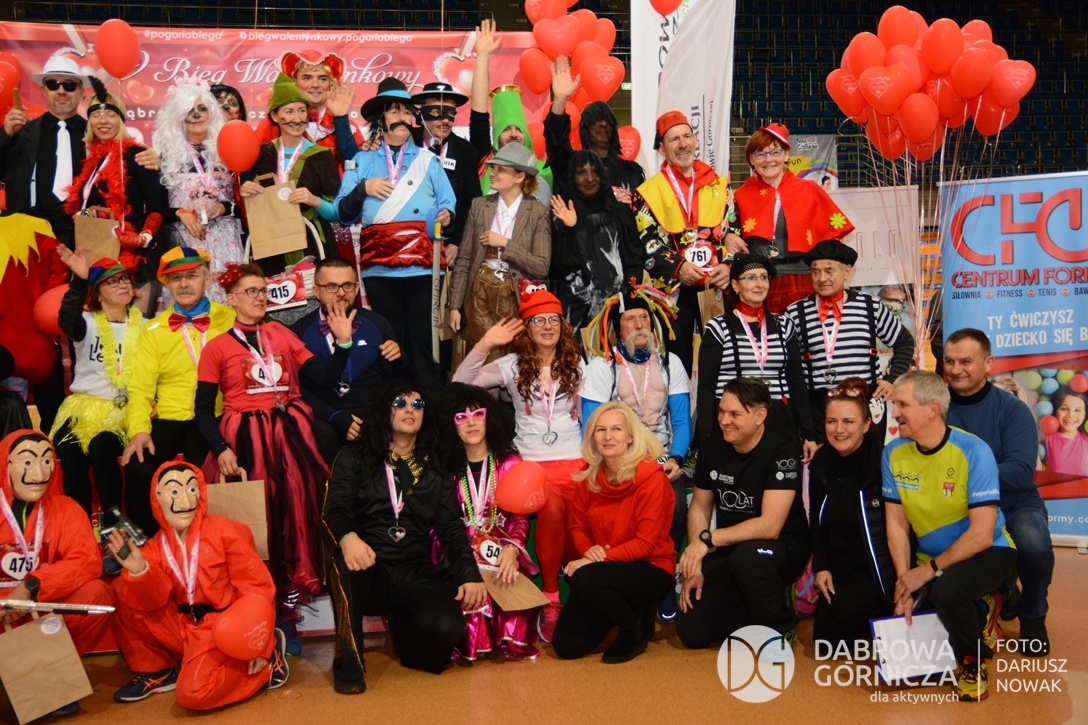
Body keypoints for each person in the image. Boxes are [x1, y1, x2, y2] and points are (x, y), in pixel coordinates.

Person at [195, 262, 353, 655]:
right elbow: (202, 410)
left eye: (262, 290)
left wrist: (343, 344)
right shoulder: (217, 347)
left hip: (291, 438)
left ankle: (287, 610)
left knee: (295, 519)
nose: (260, 297)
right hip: (245, 440)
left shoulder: (282, 334)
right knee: (256, 525)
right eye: (250, 291)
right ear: (231, 299)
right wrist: (221, 448)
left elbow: (323, 379)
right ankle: (258, 608)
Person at [324, 381, 486, 694]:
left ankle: (404, 635)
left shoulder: (434, 466)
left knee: (449, 629)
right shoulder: (355, 456)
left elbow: (450, 528)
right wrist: (348, 537)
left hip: (413, 569)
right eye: (400, 402)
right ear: (385, 410)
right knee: (345, 564)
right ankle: (348, 664)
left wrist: (469, 574)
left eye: (417, 404)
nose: (410, 409)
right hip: (368, 567)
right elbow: (335, 508)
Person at [452, 290, 585, 643]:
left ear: (562, 325)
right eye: (538, 320)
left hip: (576, 459)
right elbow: (458, 388)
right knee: (551, 507)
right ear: (526, 327)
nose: (547, 327)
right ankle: (552, 596)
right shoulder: (511, 364)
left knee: (581, 511)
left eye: (553, 320)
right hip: (532, 465)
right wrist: (485, 344)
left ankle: (582, 591)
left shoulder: (579, 363)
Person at [107, 461, 289, 707]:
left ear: (201, 493)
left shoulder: (225, 531)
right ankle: (158, 671)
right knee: (123, 588)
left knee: (193, 694)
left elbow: (257, 589)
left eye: (191, 489)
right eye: (174, 491)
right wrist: (140, 571)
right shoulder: (156, 546)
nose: (185, 501)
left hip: (224, 628)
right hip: (186, 627)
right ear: (157, 498)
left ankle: (269, 665)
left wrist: (260, 644)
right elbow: (153, 599)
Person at [884, 370, 1018, 702]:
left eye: (902, 404)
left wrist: (925, 573)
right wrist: (904, 581)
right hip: (930, 559)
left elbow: (981, 535)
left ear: (932, 409)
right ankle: (983, 606)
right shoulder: (893, 453)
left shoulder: (974, 451)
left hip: (990, 551)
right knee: (893, 606)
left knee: (948, 593)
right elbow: (897, 525)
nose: (894, 411)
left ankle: (973, 663)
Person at [335, 78, 456, 397]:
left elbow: (449, 203)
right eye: (394, 111)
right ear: (381, 119)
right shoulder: (361, 161)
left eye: (406, 111)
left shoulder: (428, 160)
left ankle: (430, 405)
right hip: (380, 267)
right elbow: (342, 212)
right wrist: (363, 189)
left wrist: (447, 215)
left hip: (424, 265)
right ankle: (394, 404)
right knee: (390, 341)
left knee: (425, 340)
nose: (402, 117)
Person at [580, 284, 690, 622]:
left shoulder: (670, 363)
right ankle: (625, 579)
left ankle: (664, 579)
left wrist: (676, 459)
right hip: (619, 457)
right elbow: (592, 425)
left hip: (660, 457)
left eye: (644, 318)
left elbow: (681, 421)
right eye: (631, 319)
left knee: (677, 507)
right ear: (617, 328)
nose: (640, 325)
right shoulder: (602, 366)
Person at [676, 378, 811, 649]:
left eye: (735, 414)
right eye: (721, 411)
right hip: (732, 549)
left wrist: (707, 540)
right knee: (691, 632)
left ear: (760, 416)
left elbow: (770, 526)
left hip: (783, 546)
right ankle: (757, 607)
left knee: (748, 559)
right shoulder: (712, 447)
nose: (724, 420)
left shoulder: (782, 451)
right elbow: (700, 506)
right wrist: (696, 562)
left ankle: (779, 626)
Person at [944, 328, 1054, 655]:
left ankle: (1032, 616)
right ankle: (1004, 588)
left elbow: (1019, 473)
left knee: (1033, 545)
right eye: (949, 361)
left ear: (988, 363)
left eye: (966, 361)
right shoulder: (936, 406)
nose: (956, 369)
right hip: (955, 505)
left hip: (1014, 503)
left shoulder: (1012, 409)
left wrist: (961, 476)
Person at [0, 430, 114, 717]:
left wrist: (32, 587)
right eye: (27, 461)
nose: (39, 473)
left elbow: (87, 561)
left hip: (37, 611)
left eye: (47, 460)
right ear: (5, 464)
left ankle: (50, 676)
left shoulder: (66, 509)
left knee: (97, 595)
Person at [123, 248, 235, 535]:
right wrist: (139, 430)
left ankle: (211, 541)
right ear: (167, 284)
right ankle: (147, 544)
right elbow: (140, 388)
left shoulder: (230, 318)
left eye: (191, 276)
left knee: (203, 468)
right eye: (176, 278)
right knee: (138, 467)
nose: (184, 284)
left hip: (215, 415)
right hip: (170, 416)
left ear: (207, 280)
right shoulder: (153, 330)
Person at [553, 402, 676, 663]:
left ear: (630, 436)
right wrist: (589, 551)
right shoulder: (588, 477)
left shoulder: (652, 478)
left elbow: (645, 544)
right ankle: (625, 609)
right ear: (592, 436)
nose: (607, 436)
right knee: (566, 646)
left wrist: (595, 560)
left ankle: (634, 627)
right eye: (601, 430)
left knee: (585, 578)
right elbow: (579, 528)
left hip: (650, 568)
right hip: (607, 570)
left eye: (616, 429)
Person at [435, 383, 540, 661]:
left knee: (512, 600)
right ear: (451, 426)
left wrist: (513, 549)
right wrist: (462, 555)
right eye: (461, 417)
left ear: (489, 417)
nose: (471, 423)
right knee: (471, 605)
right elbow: (439, 524)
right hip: (462, 552)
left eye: (477, 414)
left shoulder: (510, 463)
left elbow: (520, 516)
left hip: (501, 550)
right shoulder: (445, 471)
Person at [634, 110, 741, 374]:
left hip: (716, 285)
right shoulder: (648, 192)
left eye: (687, 136)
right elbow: (646, 243)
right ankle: (678, 403)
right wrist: (678, 267)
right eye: (674, 139)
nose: (682, 144)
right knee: (675, 362)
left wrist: (728, 266)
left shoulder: (720, 185)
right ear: (662, 149)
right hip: (673, 290)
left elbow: (734, 232)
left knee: (722, 360)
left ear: (695, 141)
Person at [52, 253, 142, 531]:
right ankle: (78, 530)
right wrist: (79, 281)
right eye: (112, 282)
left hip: (122, 410)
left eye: (124, 278)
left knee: (101, 446)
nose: (122, 284)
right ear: (98, 294)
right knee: (69, 451)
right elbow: (66, 319)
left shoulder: (147, 326)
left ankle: (116, 527)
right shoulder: (86, 322)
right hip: (82, 406)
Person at [786, 241, 915, 434]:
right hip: (819, 407)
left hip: (864, 401)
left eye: (829, 271)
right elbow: (792, 370)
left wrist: (891, 378)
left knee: (869, 453)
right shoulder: (795, 312)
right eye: (815, 272)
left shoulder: (870, 306)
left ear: (846, 272)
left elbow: (904, 341)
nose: (822, 278)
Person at [64, 78, 166, 316]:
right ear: (89, 121)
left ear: (120, 120)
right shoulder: (90, 162)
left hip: (136, 255)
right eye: (96, 115)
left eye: (110, 114)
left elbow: (156, 206)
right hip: (99, 250)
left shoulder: (138, 154)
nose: (103, 121)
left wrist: (142, 238)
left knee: (137, 327)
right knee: (103, 325)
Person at [698, 255, 819, 456]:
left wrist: (808, 434)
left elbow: (797, 383)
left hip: (777, 417)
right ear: (735, 285)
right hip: (736, 419)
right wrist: (706, 436)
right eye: (751, 278)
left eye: (764, 277)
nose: (759, 284)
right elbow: (706, 387)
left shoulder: (784, 325)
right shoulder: (718, 327)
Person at [730, 123, 855, 313]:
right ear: (751, 159)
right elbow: (727, 234)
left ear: (786, 154)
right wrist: (727, 237)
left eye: (775, 152)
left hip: (805, 279)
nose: (768, 159)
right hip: (760, 283)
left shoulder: (810, 190)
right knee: (765, 332)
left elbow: (832, 239)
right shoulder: (740, 195)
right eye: (760, 154)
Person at [809, 378, 895, 653]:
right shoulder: (821, 462)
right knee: (826, 645)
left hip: (874, 568)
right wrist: (822, 567)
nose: (839, 429)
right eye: (831, 421)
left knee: (847, 608)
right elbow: (816, 523)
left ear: (866, 424)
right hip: (838, 567)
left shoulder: (883, 463)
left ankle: (883, 614)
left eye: (848, 421)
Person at [288, 257, 404, 461]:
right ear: (316, 291)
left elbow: (396, 381)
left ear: (357, 287)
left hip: (371, 411)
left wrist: (398, 358)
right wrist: (334, 417)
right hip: (325, 415)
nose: (341, 293)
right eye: (332, 286)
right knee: (317, 433)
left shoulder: (378, 323)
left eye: (347, 285)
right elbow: (297, 389)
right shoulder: (298, 332)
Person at [447, 141, 551, 360]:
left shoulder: (538, 212)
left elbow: (541, 267)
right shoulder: (479, 206)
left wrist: (505, 243)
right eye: (493, 168)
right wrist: (455, 306)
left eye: (501, 169)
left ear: (520, 176)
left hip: (517, 298)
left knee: (518, 363)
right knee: (481, 363)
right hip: (479, 296)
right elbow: (464, 260)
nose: (493, 173)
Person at [240, 73, 341, 275]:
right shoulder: (261, 154)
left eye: (302, 111)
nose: (297, 119)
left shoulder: (322, 156)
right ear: (274, 116)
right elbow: (254, 207)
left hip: (312, 241)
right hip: (272, 245)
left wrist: (315, 201)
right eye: (289, 112)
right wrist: (246, 192)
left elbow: (335, 213)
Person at [153, 79, 243, 304]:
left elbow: (246, 204)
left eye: (202, 108)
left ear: (212, 112)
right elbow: (156, 209)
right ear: (178, 116)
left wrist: (224, 207)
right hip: (184, 243)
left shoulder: (228, 150)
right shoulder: (166, 156)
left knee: (229, 302)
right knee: (188, 304)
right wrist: (179, 213)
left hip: (226, 243)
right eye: (188, 110)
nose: (196, 115)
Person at [549, 150, 643, 334]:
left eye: (595, 172)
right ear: (571, 177)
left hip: (616, 310)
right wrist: (570, 229)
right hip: (574, 315)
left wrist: (626, 297)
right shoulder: (560, 216)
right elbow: (557, 270)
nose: (590, 178)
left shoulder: (620, 213)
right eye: (581, 172)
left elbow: (635, 261)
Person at [0, 56, 89, 248]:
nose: (61, 91)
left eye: (69, 85)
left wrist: (146, 156)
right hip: (29, 232)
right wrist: (5, 134)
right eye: (53, 84)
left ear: (81, 91)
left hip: (83, 234)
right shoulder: (21, 133)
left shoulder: (96, 135)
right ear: (43, 90)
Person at [468, 19, 553, 202]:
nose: (514, 134)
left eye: (518, 129)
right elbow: (478, 117)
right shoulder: (486, 165)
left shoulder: (542, 171)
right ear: (497, 136)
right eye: (506, 129)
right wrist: (483, 56)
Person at [545, 57, 645, 203]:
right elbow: (556, 141)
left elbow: (642, 212)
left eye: (607, 121)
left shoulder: (631, 172)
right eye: (595, 120)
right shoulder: (572, 165)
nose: (603, 124)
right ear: (585, 128)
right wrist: (560, 100)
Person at [411, 81, 482, 259]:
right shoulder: (406, 143)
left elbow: (472, 203)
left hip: (449, 243)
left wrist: (458, 242)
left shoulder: (466, 151)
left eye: (451, 114)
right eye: (436, 112)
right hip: (409, 238)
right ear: (421, 115)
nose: (445, 120)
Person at [272, 50, 364, 171]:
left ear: (330, 83)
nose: (315, 84)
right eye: (307, 78)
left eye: (323, 79)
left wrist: (341, 120)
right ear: (294, 81)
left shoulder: (347, 125)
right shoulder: (276, 122)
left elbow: (356, 168)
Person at [1045, 389, 1088, 477]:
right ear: (1055, 411)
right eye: (1064, 409)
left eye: (1077, 410)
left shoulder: (1086, 439)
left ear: (1084, 415)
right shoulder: (1047, 438)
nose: (1070, 415)